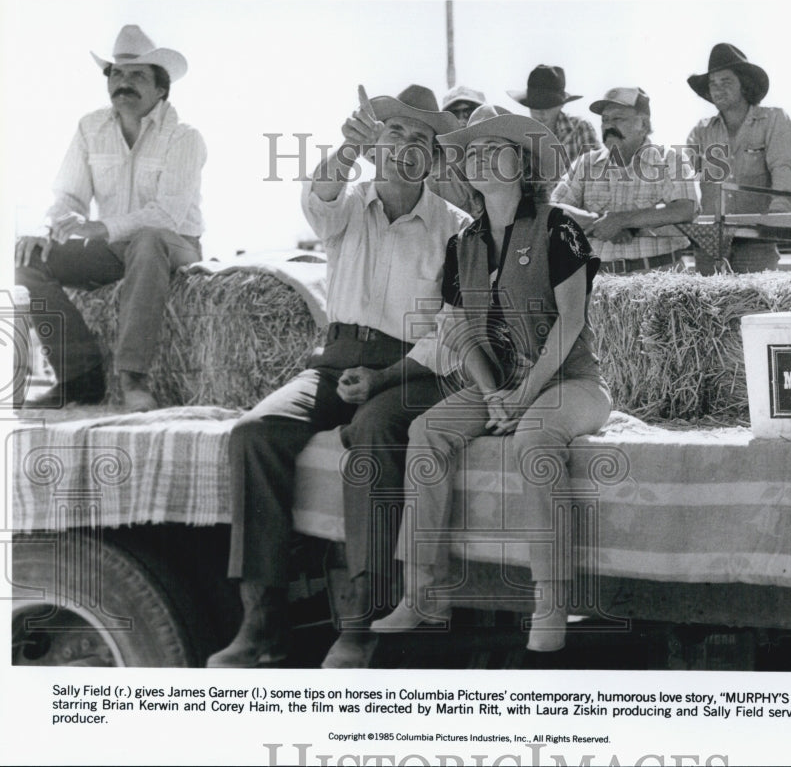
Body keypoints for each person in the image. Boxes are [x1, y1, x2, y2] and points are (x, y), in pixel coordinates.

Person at [206, 86, 469, 669]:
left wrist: (382, 381)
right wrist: (346, 148)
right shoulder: (348, 203)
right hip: (338, 358)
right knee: (256, 432)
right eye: (394, 133)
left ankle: (362, 622)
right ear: (376, 143)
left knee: (373, 432)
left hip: (411, 369)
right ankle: (264, 617)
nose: (404, 147)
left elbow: (452, 332)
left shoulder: (456, 228)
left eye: (419, 140)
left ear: (434, 158)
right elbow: (317, 199)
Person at [371, 105, 611, 657]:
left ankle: (550, 603)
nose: (477, 157)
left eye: (491, 148)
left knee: (534, 438)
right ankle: (421, 594)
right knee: (426, 431)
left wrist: (524, 399)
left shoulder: (559, 228)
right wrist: (493, 394)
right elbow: (457, 328)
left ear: (522, 164)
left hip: (570, 382)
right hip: (502, 386)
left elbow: (570, 322)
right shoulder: (465, 243)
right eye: (470, 152)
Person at [14, 25, 206, 411]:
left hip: (176, 247)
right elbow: (69, 196)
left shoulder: (185, 137)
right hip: (115, 248)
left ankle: (133, 378)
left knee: (149, 238)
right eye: (117, 74)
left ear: (161, 89)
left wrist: (100, 227)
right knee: (25, 257)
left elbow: (167, 214)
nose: (123, 83)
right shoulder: (90, 128)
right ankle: (80, 376)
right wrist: (46, 230)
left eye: (137, 75)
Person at [551, 87, 697, 273]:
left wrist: (622, 220)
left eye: (618, 119)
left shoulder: (671, 160)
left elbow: (685, 209)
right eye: (604, 120)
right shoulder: (585, 164)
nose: (608, 126)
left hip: (658, 277)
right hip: (598, 281)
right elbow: (553, 208)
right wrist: (598, 222)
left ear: (643, 124)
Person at [686, 43, 791, 273]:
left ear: (744, 85)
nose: (718, 89)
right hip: (711, 242)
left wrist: (777, 215)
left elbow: (783, 169)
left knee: (754, 305)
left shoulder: (773, 120)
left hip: (756, 239)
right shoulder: (702, 131)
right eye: (712, 84)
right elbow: (681, 175)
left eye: (725, 82)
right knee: (708, 307)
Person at [507, 64, 599, 166]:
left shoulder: (580, 128)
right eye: (535, 106)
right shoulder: (519, 137)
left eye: (548, 105)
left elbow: (597, 173)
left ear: (561, 105)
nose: (541, 112)